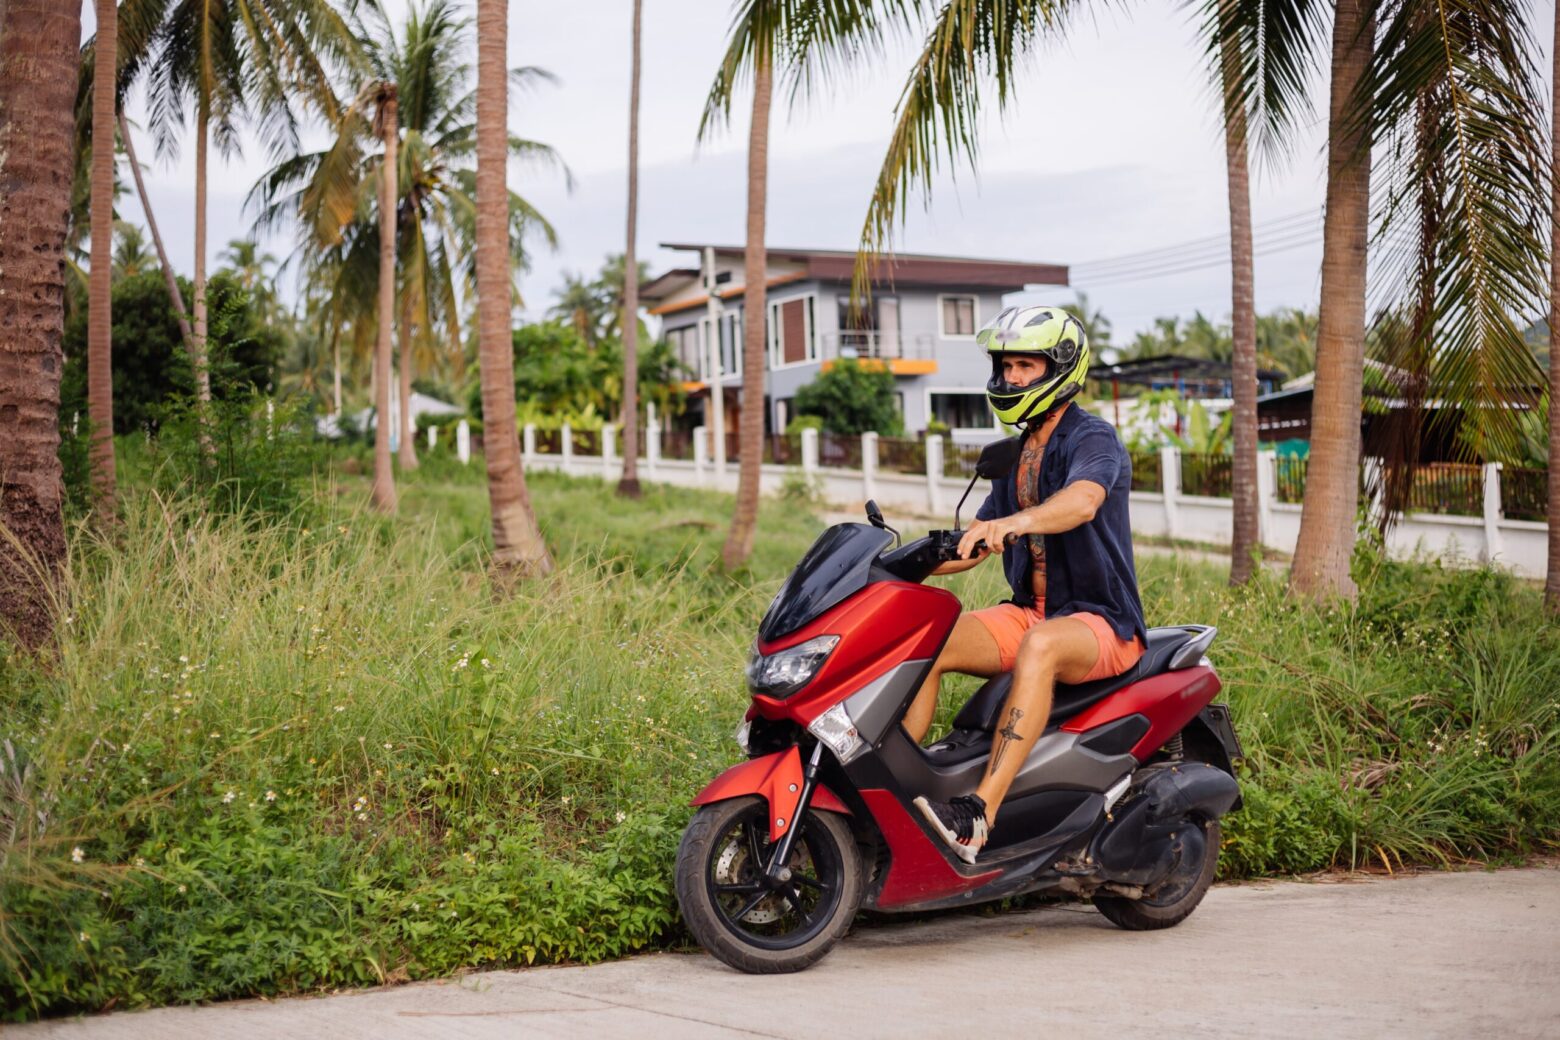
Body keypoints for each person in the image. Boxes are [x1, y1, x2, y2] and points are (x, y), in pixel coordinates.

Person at [909, 305, 1148, 863]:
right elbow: (974, 543)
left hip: (1100, 620)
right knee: (927, 633)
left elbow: (1083, 501)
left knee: (1041, 645)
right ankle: (898, 788)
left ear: (1060, 368)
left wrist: (1015, 522)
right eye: (1006, 365)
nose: (1012, 377)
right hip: (1032, 611)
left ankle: (977, 815)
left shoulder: (1093, 438)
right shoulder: (1019, 456)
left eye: (1025, 365)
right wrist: (895, 566)